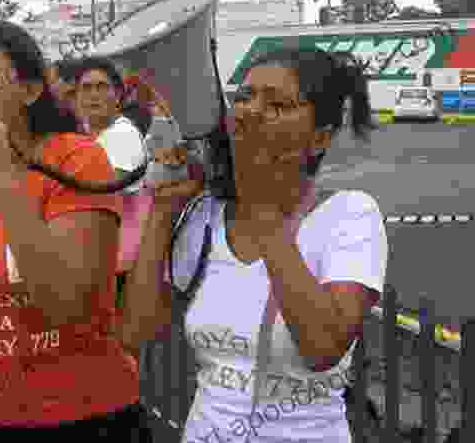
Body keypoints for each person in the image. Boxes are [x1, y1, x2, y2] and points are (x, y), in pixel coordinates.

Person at [120, 48, 388, 442]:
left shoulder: (348, 214)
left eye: (278, 105)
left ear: (320, 138)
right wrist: (163, 208)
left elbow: (322, 348)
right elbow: (136, 333)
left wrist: (259, 200)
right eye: (244, 98)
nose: (251, 112)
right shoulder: (205, 217)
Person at [0, 19, 150, 443]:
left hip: (78, 423)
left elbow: (65, 305)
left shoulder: (76, 162)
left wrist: (0, 168)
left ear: (31, 91)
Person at [73, 57, 146, 181]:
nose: (93, 95)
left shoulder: (125, 134)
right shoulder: (81, 131)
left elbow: (103, 190)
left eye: (102, 87)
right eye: (86, 87)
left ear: (117, 95)